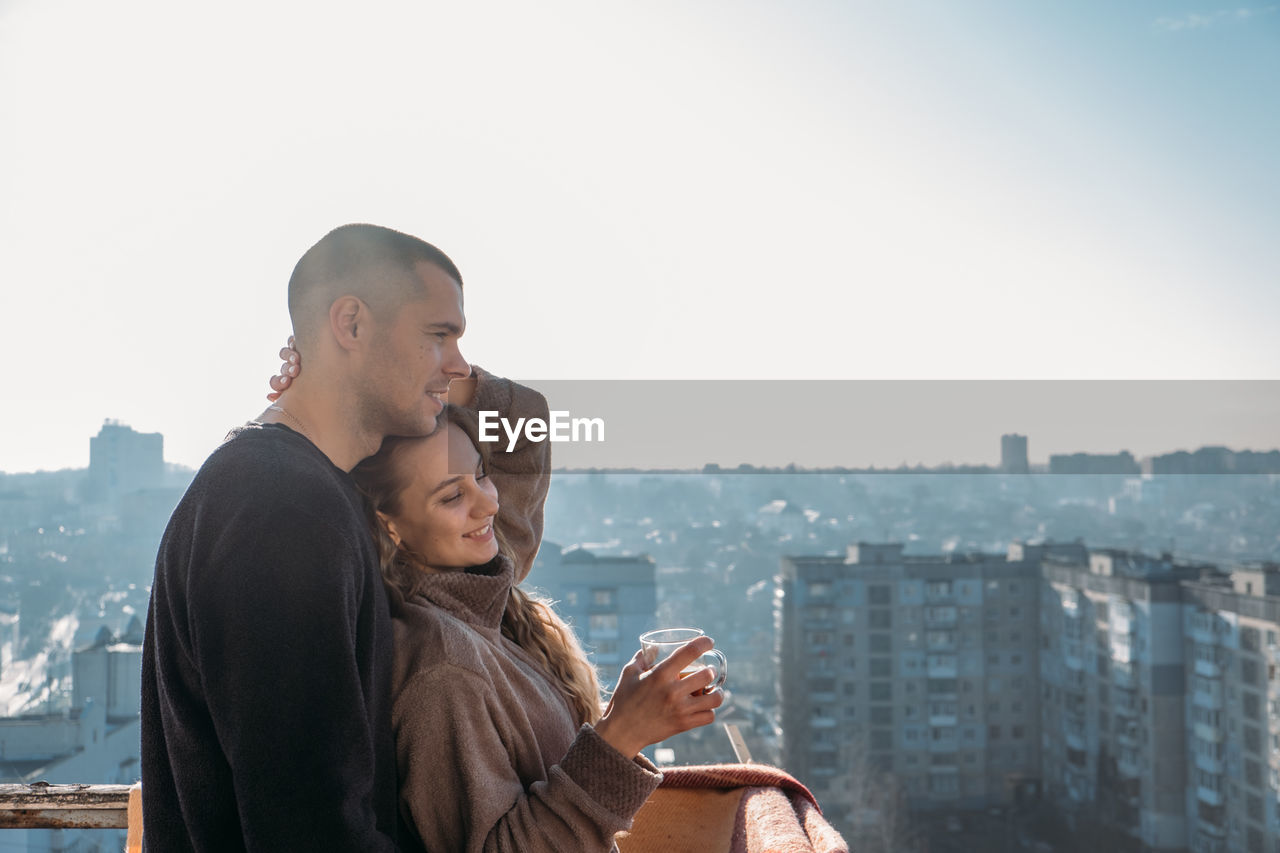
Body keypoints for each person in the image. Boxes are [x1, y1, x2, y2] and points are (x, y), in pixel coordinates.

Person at [141, 223, 471, 851]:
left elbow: (519, 443)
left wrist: (438, 380)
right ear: (350, 323)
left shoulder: (292, 486)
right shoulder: (282, 510)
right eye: (439, 336)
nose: (460, 365)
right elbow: (310, 830)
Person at [350, 404, 725, 853]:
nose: (490, 502)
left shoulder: (487, 595)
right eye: (452, 496)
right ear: (390, 526)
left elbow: (526, 422)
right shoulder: (445, 671)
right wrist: (622, 735)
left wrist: (433, 382)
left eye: (482, 473)